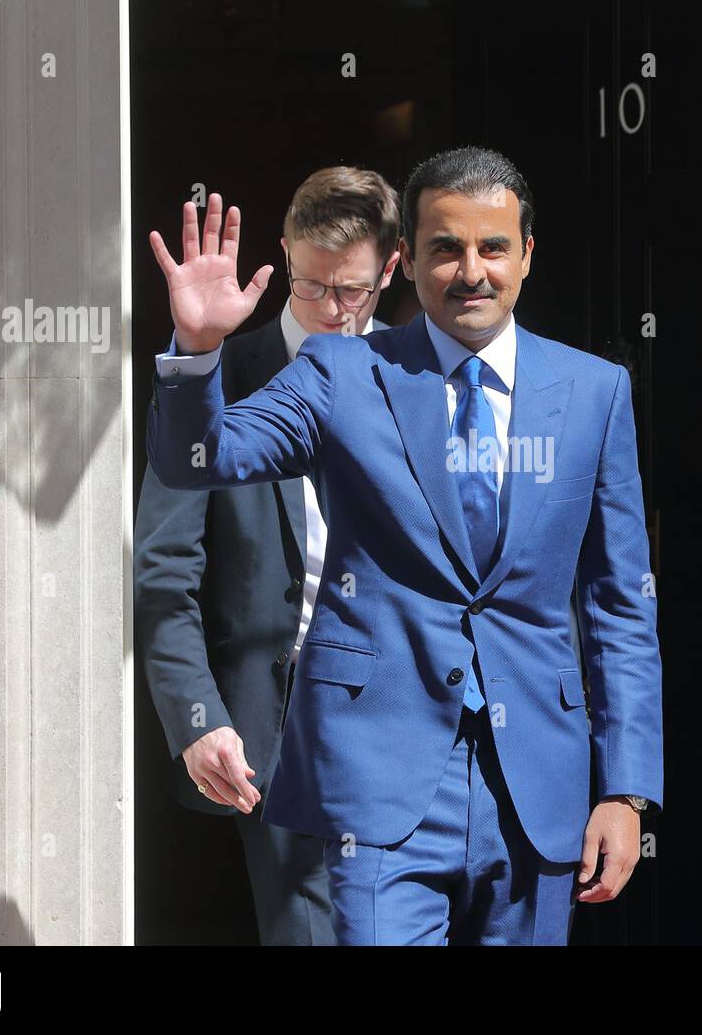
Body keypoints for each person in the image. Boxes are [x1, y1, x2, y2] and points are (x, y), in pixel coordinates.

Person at [146, 146, 663, 945]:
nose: (471, 271)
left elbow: (619, 603)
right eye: (445, 249)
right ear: (410, 263)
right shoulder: (343, 370)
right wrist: (198, 351)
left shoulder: (595, 392)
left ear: (528, 252)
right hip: (380, 781)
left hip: (537, 783)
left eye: (493, 247)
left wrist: (625, 791)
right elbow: (202, 459)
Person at [135, 166, 398, 945]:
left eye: (351, 291)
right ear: (284, 255)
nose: (330, 311)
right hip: (279, 733)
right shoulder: (219, 377)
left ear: (390, 268)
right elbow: (164, 569)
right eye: (310, 285)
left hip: (413, 719)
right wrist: (197, 720)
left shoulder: (423, 378)